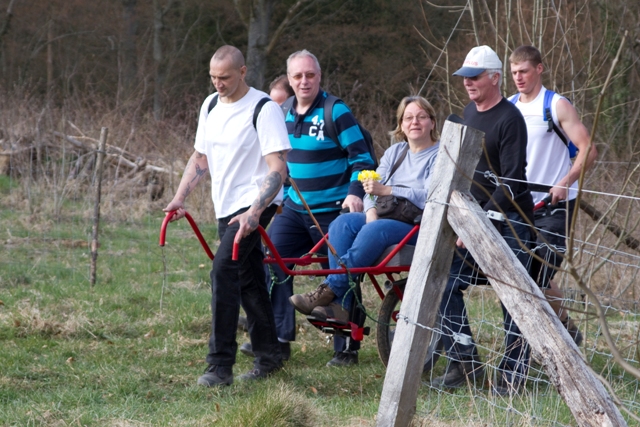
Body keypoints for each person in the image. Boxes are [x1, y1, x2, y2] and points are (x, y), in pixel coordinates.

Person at [163, 45, 291, 387]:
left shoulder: (264, 109)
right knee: (248, 279)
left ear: (243, 72)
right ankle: (270, 355)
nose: (218, 83)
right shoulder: (209, 105)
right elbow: (200, 158)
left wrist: (255, 211)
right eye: (213, 77)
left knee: (223, 272)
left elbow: (278, 166)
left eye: (225, 77)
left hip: (255, 204)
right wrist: (179, 197)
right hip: (226, 204)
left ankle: (219, 366)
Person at [239, 49, 376, 367]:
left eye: (310, 75)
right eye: (297, 76)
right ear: (289, 79)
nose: (304, 81)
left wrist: (355, 193)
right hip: (294, 210)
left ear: (319, 76)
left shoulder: (335, 110)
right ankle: (280, 337)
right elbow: (278, 162)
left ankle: (346, 347)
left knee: (339, 269)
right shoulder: (281, 113)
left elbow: (363, 159)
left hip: (334, 211)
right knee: (272, 260)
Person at [431, 45, 535, 396]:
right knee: (443, 282)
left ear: (494, 78)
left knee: (514, 300)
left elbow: (513, 181)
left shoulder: (510, 119)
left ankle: (512, 377)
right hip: (472, 224)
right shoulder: (466, 114)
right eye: (464, 78)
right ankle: (464, 361)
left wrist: (480, 222)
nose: (468, 84)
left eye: (474, 77)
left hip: (510, 225)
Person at [289, 96, 439, 328]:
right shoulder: (395, 152)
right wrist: (369, 211)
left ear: (432, 122)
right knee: (343, 223)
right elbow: (370, 188)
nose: (415, 122)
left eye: (421, 117)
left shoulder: (439, 154)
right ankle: (341, 307)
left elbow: (432, 194)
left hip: (418, 225)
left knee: (378, 228)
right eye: (408, 117)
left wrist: (390, 190)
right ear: (400, 125)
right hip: (386, 217)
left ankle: (329, 289)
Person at [509, 45, 598, 344]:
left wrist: (565, 181)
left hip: (555, 205)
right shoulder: (509, 107)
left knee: (537, 274)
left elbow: (588, 149)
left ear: (539, 69)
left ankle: (544, 342)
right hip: (518, 206)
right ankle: (567, 330)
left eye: (523, 71)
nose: (518, 78)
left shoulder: (556, 105)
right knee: (525, 277)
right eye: (513, 73)